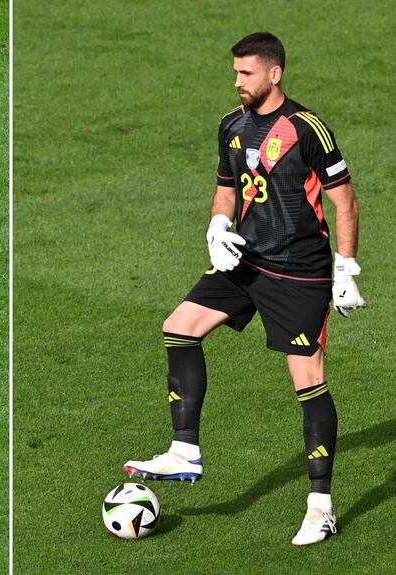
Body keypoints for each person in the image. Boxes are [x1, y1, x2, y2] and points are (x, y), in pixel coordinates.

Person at [123, 32, 365, 547]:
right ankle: (185, 450)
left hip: (300, 274)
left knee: (307, 378)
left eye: (246, 73)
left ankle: (320, 506)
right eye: (235, 73)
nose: (237, 82)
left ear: (274, 74)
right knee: (179, 328)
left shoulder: (306, 129)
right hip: (245, 262)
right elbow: (226, 189)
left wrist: (345, 269)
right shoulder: (231, 127)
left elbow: (344, 201)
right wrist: (216, 227)